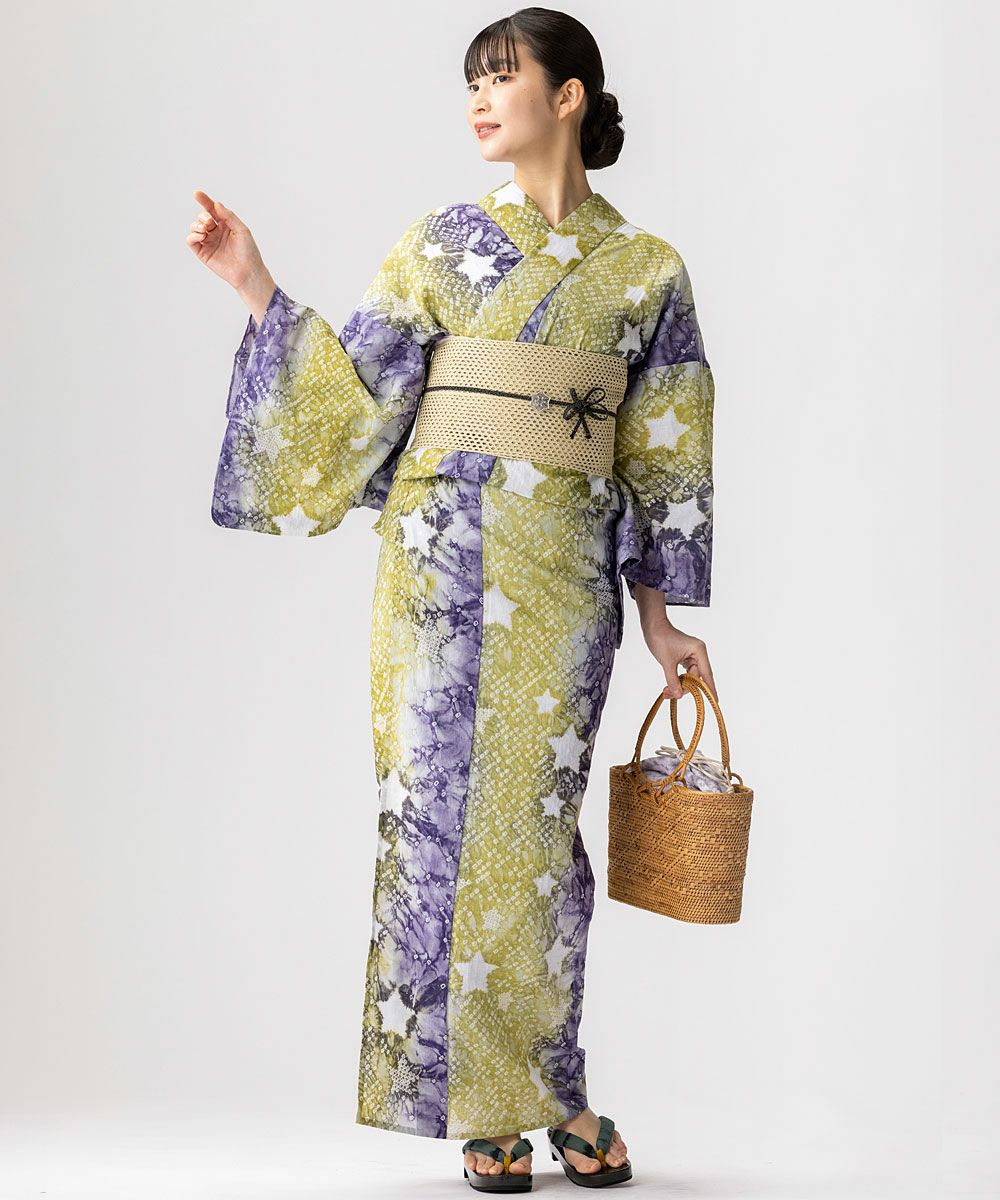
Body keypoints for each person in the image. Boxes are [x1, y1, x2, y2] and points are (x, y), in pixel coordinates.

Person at [187, 6, 717, 1191]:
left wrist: (661, 619)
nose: (478, 98)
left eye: (501, 76)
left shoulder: (646, 271)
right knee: (432, 822)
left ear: (567, 95)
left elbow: (663, 447)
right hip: (433, 569)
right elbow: (352, 392)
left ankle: (549, 1085)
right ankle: (485, 1109)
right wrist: (255, 285)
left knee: (533, 837)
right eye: (469, 81)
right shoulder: (437, 245)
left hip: (564, 573)